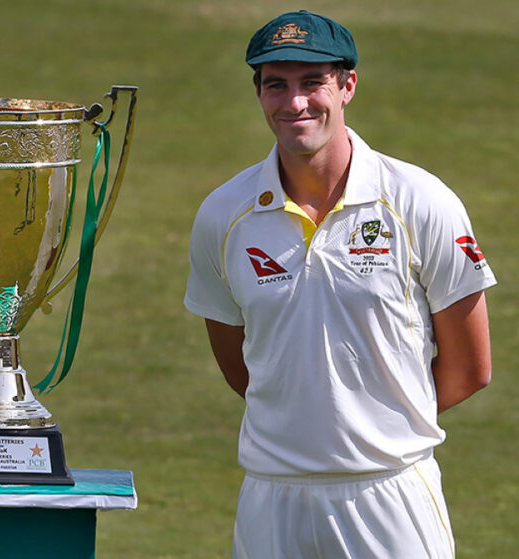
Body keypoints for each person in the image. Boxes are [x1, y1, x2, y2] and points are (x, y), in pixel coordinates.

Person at [184, 10, 495, 558]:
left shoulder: (422, 201)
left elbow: (471, 368)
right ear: (258, 93)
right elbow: (240, 366)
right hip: (270, 496)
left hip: (390, 492)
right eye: (276, 85)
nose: (295, 103)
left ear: (347, 85)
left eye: (313, 83)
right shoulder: (223, 215)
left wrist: (374, 424)